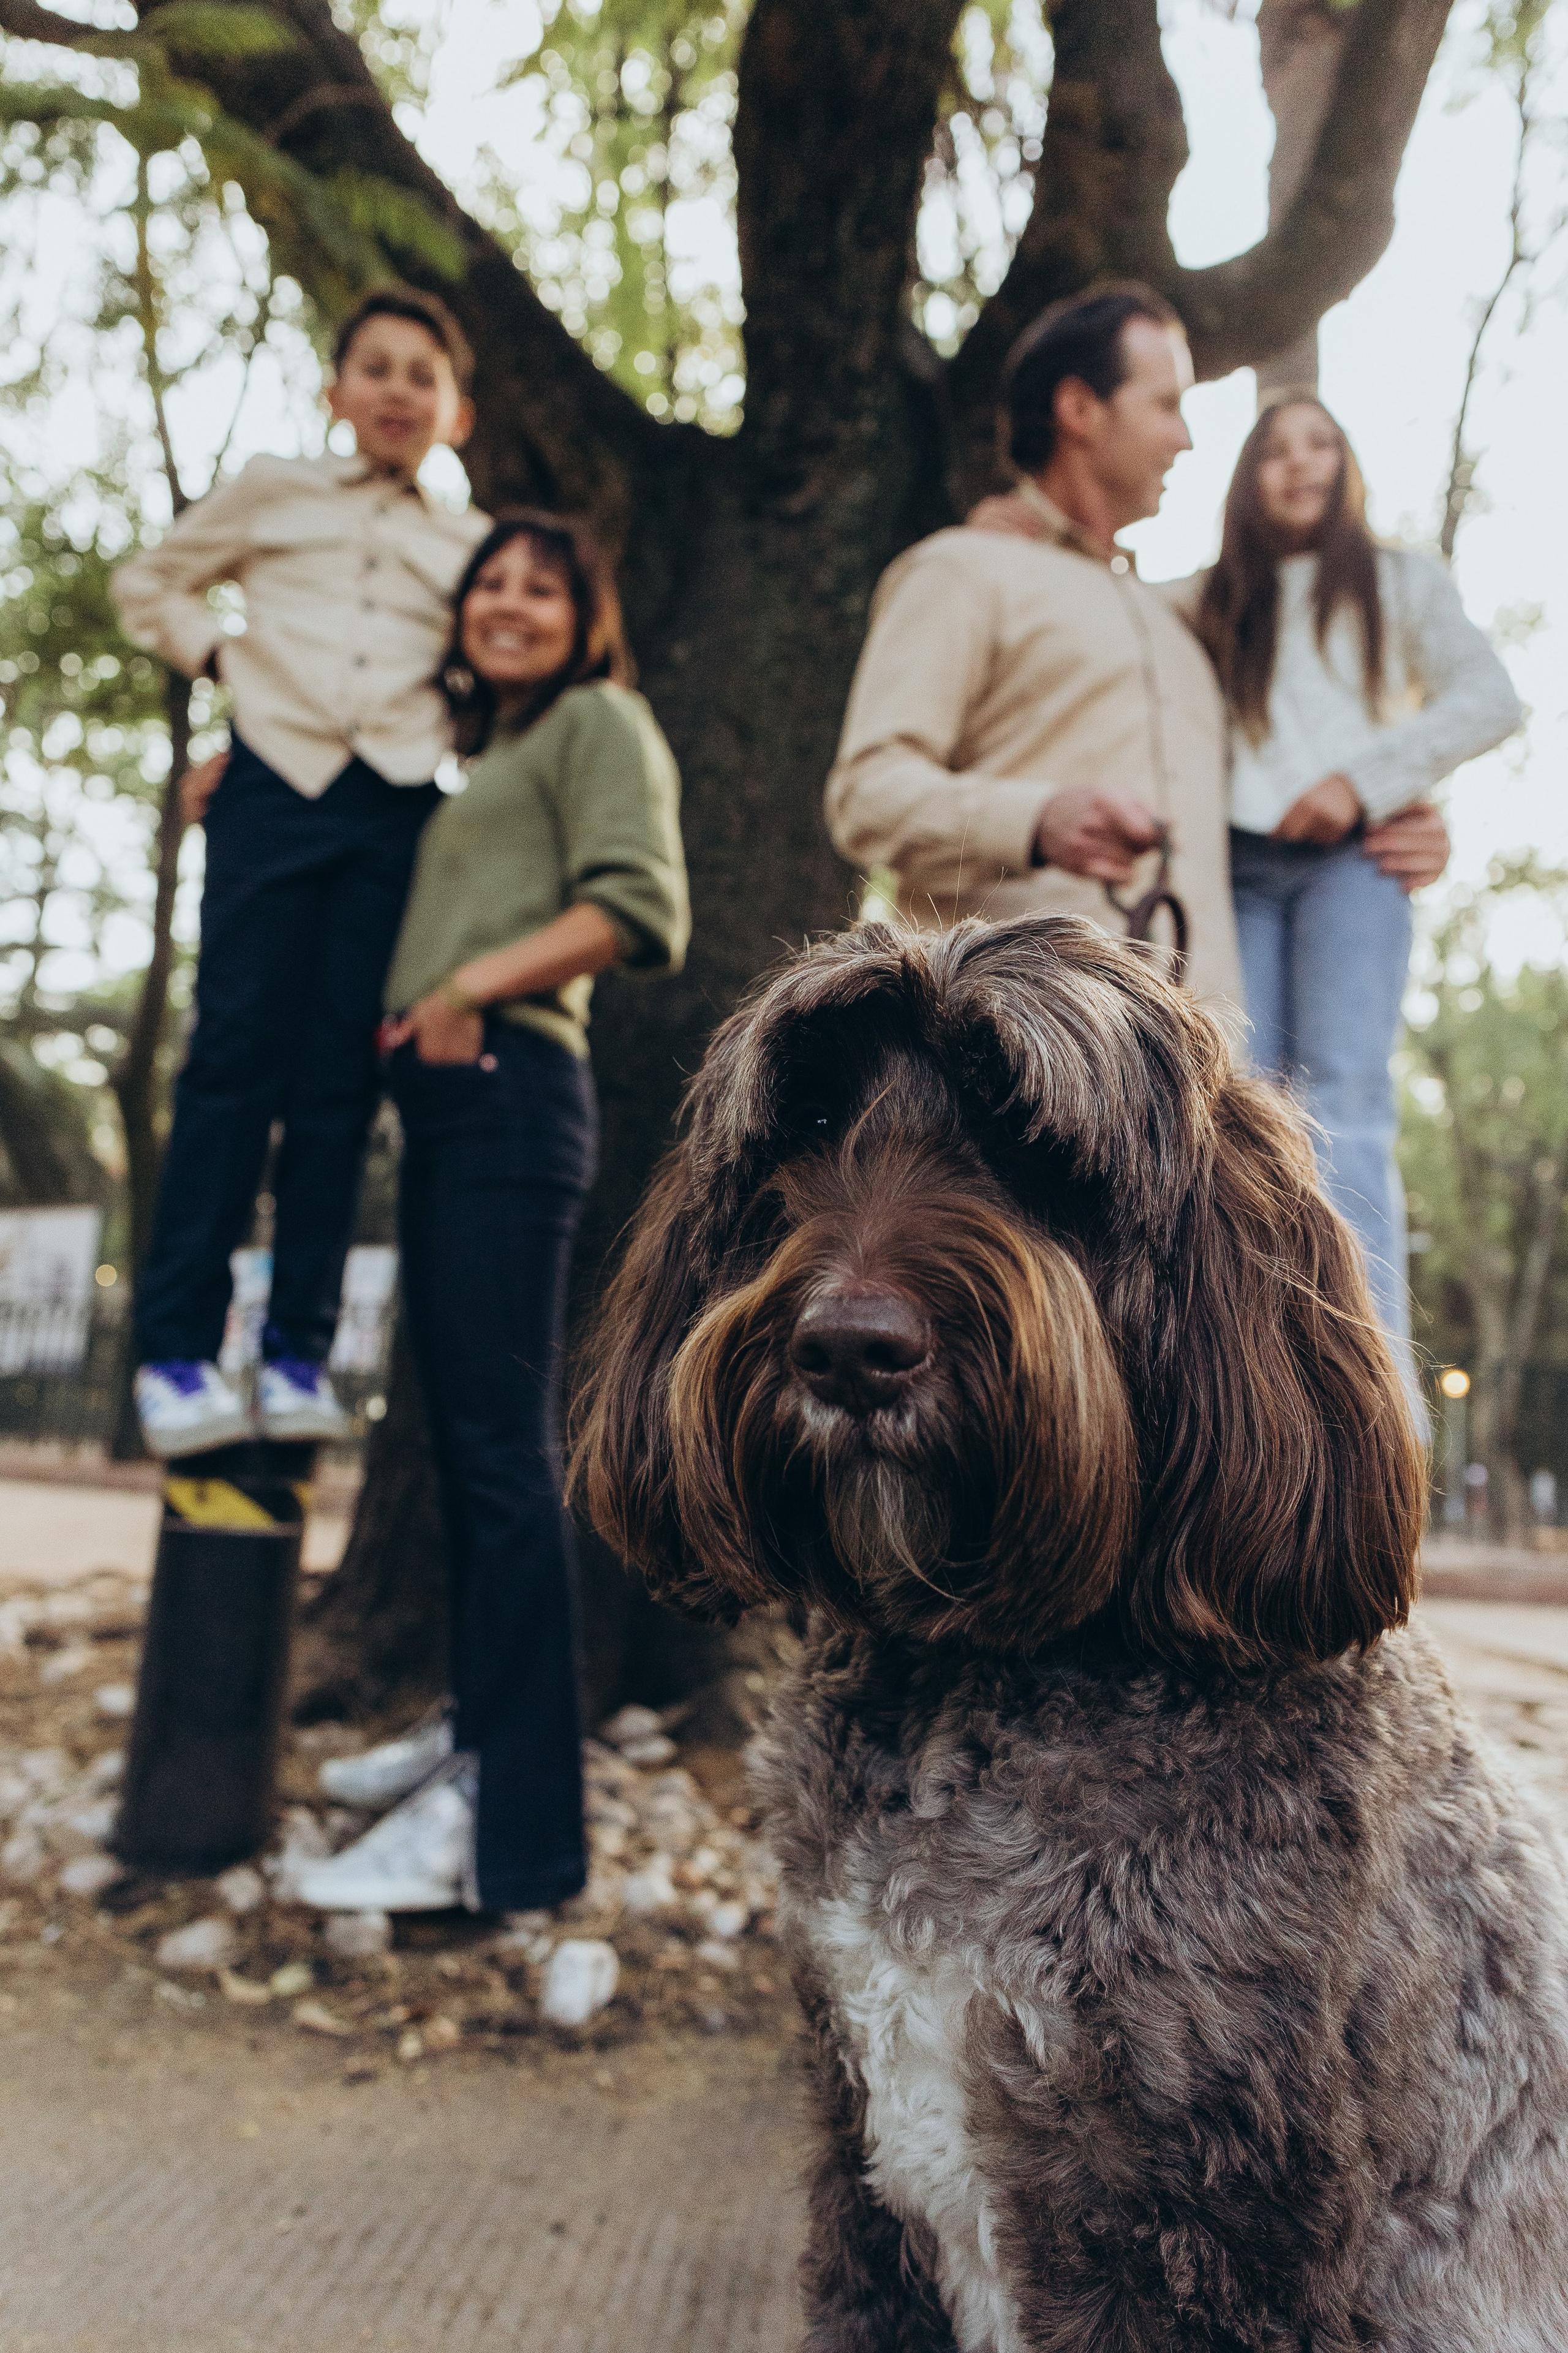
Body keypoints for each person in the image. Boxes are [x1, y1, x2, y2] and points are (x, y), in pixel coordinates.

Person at [289, 512, 690, 1917]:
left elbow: (643, 904)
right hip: (453, 1101)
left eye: (543, 585)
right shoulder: (492, 756)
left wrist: (468, 990)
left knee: (508, 1459)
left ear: (588, 617)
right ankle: (473, 1742)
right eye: (491, 583)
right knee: (466, 1455)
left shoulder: (598, 721)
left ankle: (512, 1834)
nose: (509, 602)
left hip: (514, 1081)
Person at [112, 286, 489, 1459]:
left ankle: (295, 1353)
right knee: (232, 1061)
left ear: (454, 412)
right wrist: (226, 656)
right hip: (272, 788)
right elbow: (148, 585)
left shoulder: (471, 547)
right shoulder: (274, 490)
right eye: (374, 368)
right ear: (336, 393)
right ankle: (174, 1354)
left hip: (395, 809)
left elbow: (489, 677)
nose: (395, 390)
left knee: (339, 1079)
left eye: (420, 374)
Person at [1175, 394, 1521, 1351]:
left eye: (1321, 444)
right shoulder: (1203, 598)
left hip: (1351, 871)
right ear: (1248, 475)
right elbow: (1097, 609)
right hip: (1231, 870)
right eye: (1276, 450)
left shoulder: (1400, 582)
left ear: (1348, 463)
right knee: (1228, 1105)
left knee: (1347, 1105)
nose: (1301, 464)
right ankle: (1244, 1366)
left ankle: (1374, 1381)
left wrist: (1363, 784)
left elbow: (1489, 698)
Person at [826, 284, 1243, 1012]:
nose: (1187, 440)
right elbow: (866, 795)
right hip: (1015, 1055)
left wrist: (1386, 803)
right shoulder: (962, 569)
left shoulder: (1176, 620)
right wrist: (1034, 820)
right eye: (1166, 405)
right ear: (1079, 409)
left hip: (1197, 1072)